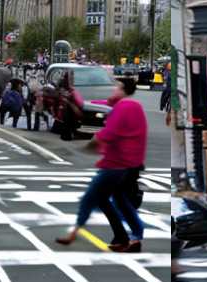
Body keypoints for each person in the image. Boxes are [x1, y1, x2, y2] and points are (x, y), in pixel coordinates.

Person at [54, 77, 146, 252]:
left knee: (91, 197)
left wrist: (92, 143)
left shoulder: (124, 107)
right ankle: (131, 236)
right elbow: (94, 104)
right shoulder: (133, 106)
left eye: (117, 87)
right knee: (118, 200)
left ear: (124, 90)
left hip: (116, 163)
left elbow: (109, 133)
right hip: (129, 164)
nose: (113, 90)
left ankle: (75, 232)